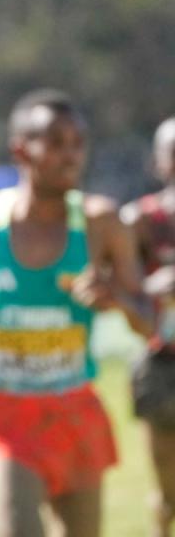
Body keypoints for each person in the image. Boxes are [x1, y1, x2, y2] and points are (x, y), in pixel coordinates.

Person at [0, 89, 154, 537]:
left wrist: (114, 296)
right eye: (56, 143)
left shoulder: (101, 224)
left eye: (78, 143)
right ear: (21, 150)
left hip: (74, 412)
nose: (72, 155)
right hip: (4, 418)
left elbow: (147, 321)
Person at [121, 116, 175, 537]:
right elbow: (113, 285)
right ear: (159, 163)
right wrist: (149, 289)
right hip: (163, 365)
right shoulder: (139, 220)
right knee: (169, 490)